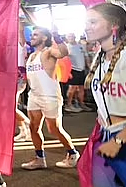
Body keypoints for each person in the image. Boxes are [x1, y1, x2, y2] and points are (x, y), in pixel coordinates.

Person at [80, 3, 126, 187]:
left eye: (93, 21)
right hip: (106, 138)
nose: (86, 26)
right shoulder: (100, 60)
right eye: (86, 21)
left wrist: (119, 140)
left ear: (114, 24)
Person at [21, 27, 80, 170]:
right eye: (32, 35)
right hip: (34, 95)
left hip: (50, 96)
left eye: (36, 35)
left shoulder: (48, 52)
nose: (32, 37)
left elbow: (64, 52)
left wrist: (57, 36)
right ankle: (40, 159)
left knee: (54, 129)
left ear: (44, 38)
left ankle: (73, 154)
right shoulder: (31, 56)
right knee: (33, 127)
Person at [64, 33, 93, 112]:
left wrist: (90, 66)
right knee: (72, 88)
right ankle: (68, 105)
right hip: (73, 70)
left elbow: (86, 56)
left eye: (72, 36)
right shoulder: (66, 47)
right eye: (69, 36)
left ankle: (81, 104)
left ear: (75, 37)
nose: (71, 38)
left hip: (82, 69)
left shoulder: (81, 46)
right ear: (67, 38)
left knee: (81, 88)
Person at [14, 24, 31, 142]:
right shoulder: (11, 46)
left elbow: (20, 31)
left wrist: (17, 19)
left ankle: (29, 125)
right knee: (13, 107)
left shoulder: (20, 45)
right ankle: (24, 131)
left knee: (11, 108)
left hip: (18, 77)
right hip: (11, 76)